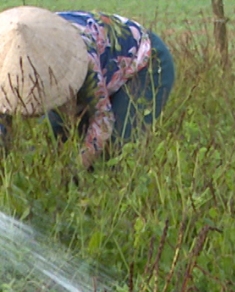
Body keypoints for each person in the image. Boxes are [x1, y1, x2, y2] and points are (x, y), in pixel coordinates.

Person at [0, 6, 175, 170]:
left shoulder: (79, 58)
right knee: (57, 139)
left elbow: (103, 121)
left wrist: (75, 170)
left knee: (117, 147)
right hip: (102, 61)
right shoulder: (5, 60)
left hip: (144, 62)